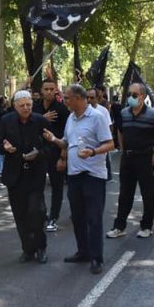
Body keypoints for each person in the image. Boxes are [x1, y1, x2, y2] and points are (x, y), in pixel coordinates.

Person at [43, 84, 114, 274]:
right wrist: (54, 140)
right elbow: (67, 142)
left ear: (79, 99)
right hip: (74, 175)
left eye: (67, 98)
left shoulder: (97, 117)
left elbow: (110, 144)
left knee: (94, 218)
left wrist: (93, 152)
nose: (64, 101)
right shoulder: (71, 119)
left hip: (93, 175)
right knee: (78, 217)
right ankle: (83, 252)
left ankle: (96, 258)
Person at [106, 83, 154, 239]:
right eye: (129, 94)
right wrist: (123, 148)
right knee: (124, 194)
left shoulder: (153, 114)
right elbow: (120, 131)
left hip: (145, 158)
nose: (130, 97)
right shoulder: (124, 113)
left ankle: (146, 226)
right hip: (128, 158)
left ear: (143, 97)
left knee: (147, 194)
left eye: (134, 95)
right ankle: (119, 226)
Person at [0, 91, 51, 264]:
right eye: (22, 105)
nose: (26, 108)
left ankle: (41, 247)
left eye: (28, 104)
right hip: (15, 176)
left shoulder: (40, 120)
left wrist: (39, 153)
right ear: (15, 106)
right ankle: (28, 249)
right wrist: (5, 148)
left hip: (35, 175)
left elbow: (51, 146)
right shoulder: (6, 121)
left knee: (36, 212)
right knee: (20, 215)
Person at [33, 78, 69, 232]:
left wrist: (63, 157)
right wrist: (42, 119)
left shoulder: (61, 109)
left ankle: (53, 217)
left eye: (51, 89)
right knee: (37, 186)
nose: (48, 91)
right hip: (39, 153)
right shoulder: (35, 107)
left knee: (57, 186)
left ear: (56, 90)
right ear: (41, 90)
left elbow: (67, 135)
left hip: (56, 151)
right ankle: (42, 215)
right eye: (45, 89)